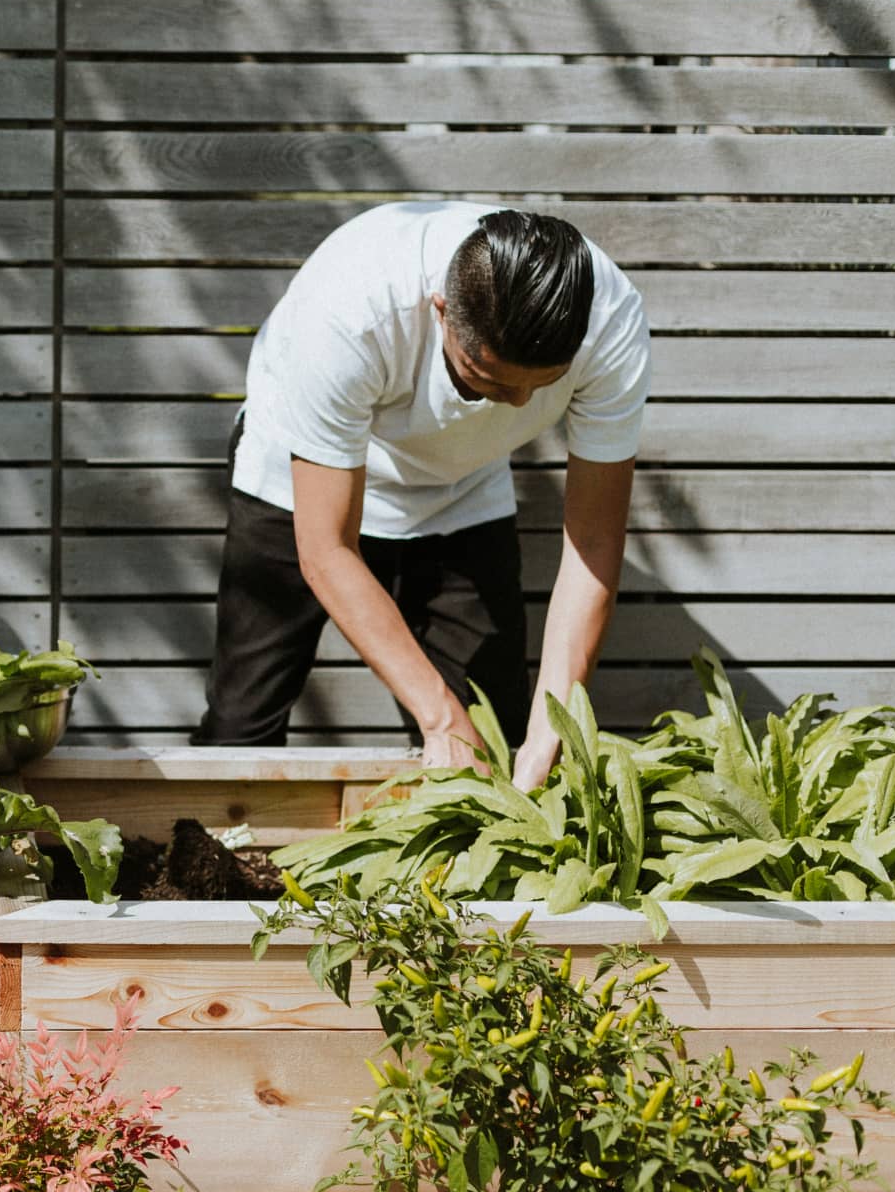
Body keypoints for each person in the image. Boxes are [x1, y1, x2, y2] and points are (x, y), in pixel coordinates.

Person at [192, 201, 650, 791]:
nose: (515, 406)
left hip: (461, 488)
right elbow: (327, 549)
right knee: (240, 727)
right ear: (441, 312)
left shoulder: (610, 322)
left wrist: (551, 728)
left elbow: (591, 542)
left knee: (494, 738)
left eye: (540, 388)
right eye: (485, 379)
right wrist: (438, 716)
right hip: (297, 481)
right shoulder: (350, 309)